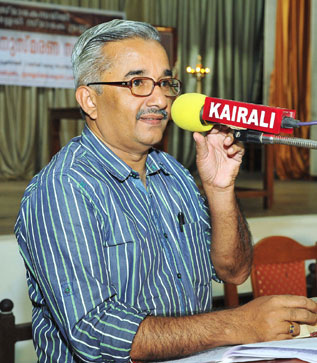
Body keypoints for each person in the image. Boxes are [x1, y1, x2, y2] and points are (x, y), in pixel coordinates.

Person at [15, 19, 317, 363]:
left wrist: (220, 192)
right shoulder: (62, 189)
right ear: (90, 100)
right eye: (138, 82)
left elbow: (235, 271)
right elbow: (96, 335)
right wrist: (236, 324)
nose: (160, 99)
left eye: (165, 82)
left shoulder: (173, 172)